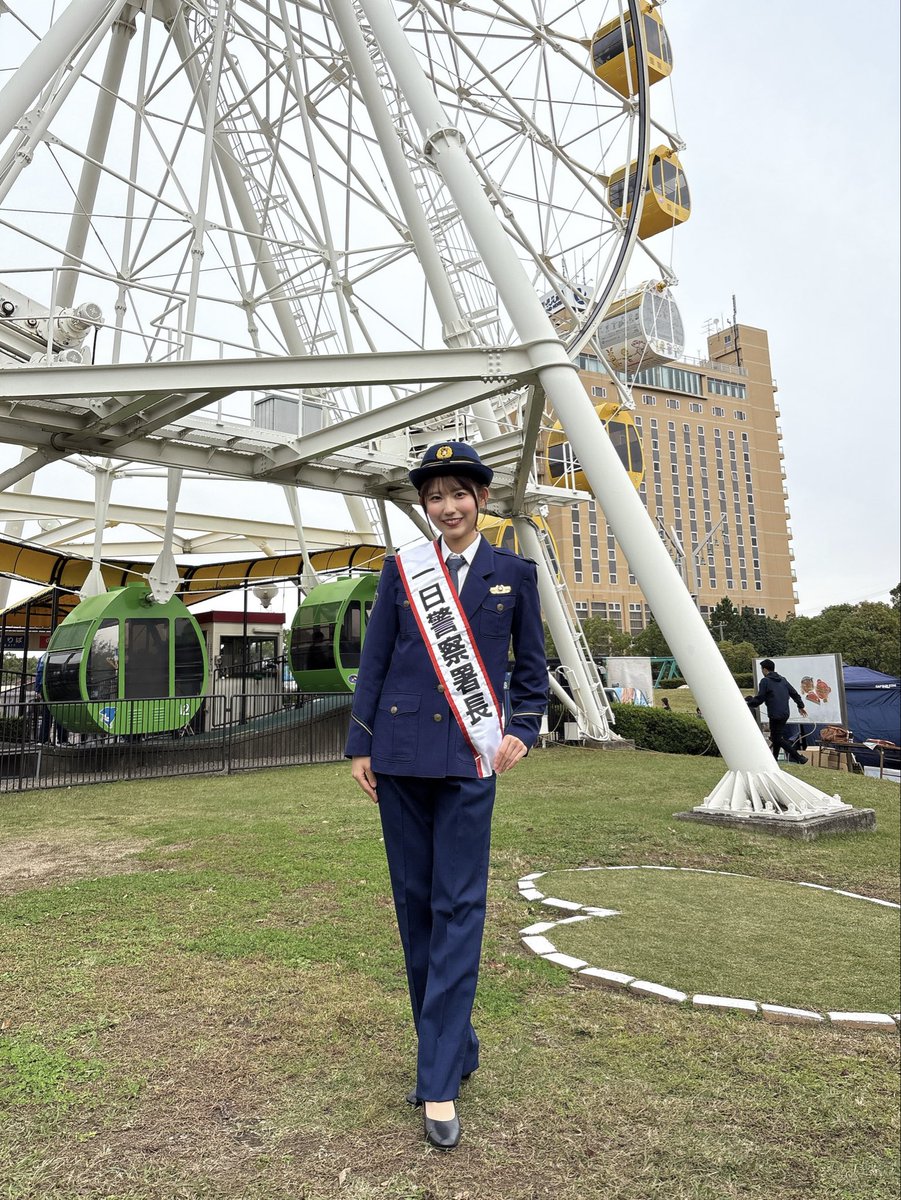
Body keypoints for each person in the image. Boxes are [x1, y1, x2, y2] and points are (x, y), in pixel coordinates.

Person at [346, 441, 547, 1151]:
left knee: (458, 906)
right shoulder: (403, 570)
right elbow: (375, 661)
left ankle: (436, 1079)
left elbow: (531, 667)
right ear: (425, 506)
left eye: (458, 494)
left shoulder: (513, 574)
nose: (447, 507)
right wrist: (360, 744)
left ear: (481, 501)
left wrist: (522, 727)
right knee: (415, 908)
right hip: (400, 757)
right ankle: (454, 1048)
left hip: (468, 759)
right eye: (435, 497)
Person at [746, 658, 809, 764]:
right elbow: (794, 693)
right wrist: (800, 706)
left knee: (777, 739)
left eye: (762, 669)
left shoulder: (765, 681)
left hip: (775, 714)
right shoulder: (783, 679)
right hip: (785, 713)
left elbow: (760, 698)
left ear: (765, 670)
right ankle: (773, 760)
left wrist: (749, 704)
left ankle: (798, 757)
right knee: (777, 737)